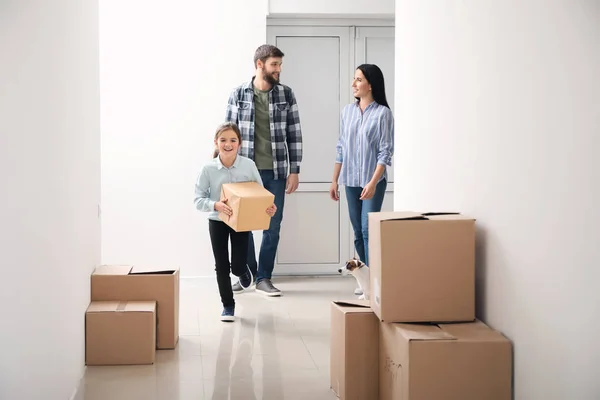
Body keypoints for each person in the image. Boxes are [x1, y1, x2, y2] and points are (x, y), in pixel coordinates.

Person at [225, 44, 303, 297]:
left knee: (272, 225)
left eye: (279, 65)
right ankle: (247, 274)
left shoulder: (286, 94)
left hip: (276, 171)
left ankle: (264, 278)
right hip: (245, 172)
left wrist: (295, 170)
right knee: (243, 224)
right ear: (260, 65)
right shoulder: (238, 94)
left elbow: (294, 133)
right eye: (274, 64)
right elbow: (228, 133)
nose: (279, 69)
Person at [194, 122, 277, 321]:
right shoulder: (208, 169)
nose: (228, 144)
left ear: (239, 143)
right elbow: (198, 199)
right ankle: (228, 306)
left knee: (237, 265)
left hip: (242, 221)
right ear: (216, 143)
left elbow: (260, 193)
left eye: (233, 140)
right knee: (221, 265)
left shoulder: (248, 165)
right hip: (217, 221)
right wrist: (216, 205)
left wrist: (269, 207)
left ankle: (242, 271)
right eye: (223, 140)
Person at [329, 64, 394, 296]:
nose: (353, 84)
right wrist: (335, 180)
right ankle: (365, 280)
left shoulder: (383, 114)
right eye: (354, 79)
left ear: (371, 84)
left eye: (358, 80)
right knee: (357, 231)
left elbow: (385, 152)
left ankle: (376, 282)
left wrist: (374, 182)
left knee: (368, 230)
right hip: (350, 179)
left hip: (372, 180)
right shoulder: (347, 112)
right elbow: (341, 148)